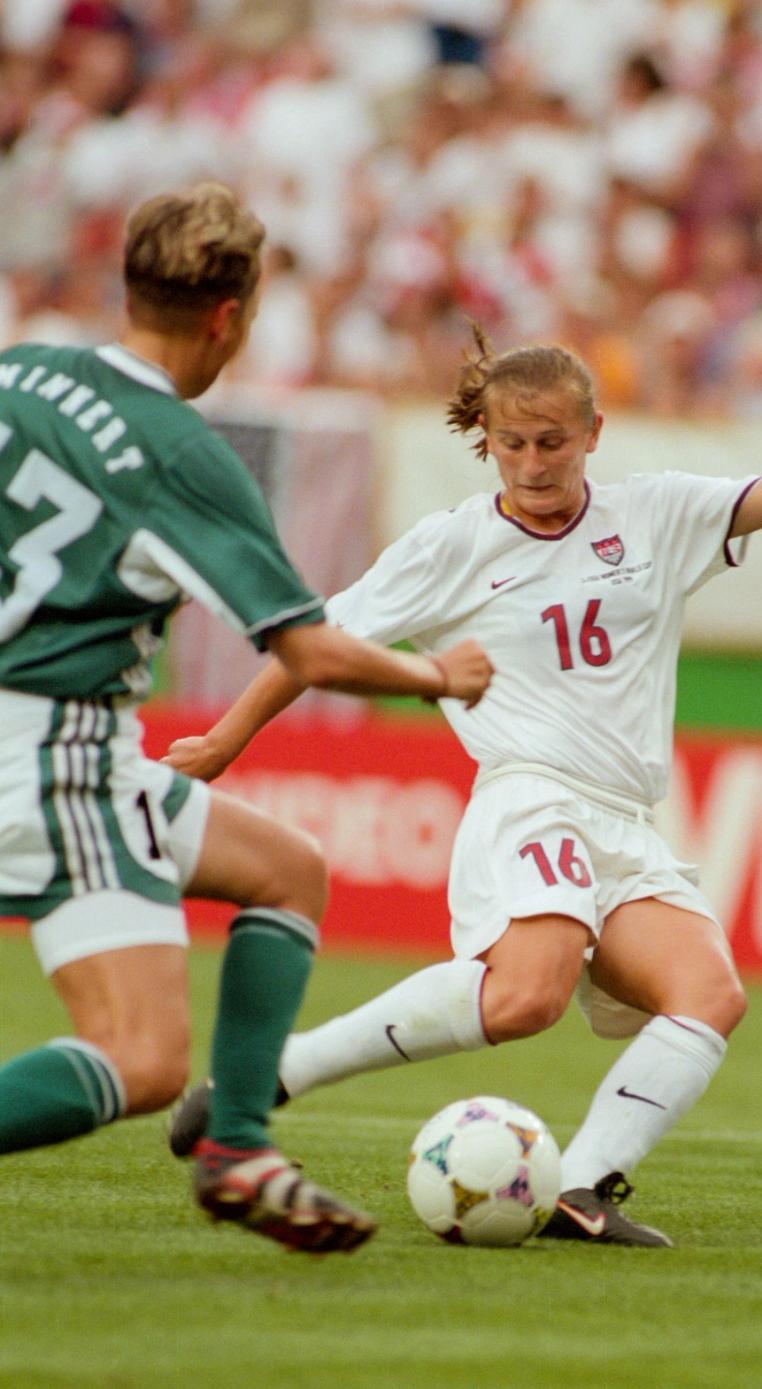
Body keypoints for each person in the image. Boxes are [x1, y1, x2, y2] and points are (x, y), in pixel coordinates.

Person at [166, 328, 762, 1245]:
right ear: (486, 438)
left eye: (552, 441)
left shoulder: (657, 515)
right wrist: (224, 740)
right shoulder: (453, 545)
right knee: (527, 997)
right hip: (532, 796)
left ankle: (585, 1187)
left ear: (594, 431)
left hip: (626, 821)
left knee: (710, 992)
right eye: (511, 443)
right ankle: (265, 1078)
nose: (531, 463)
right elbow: (314, 646)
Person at [0, 183, 493, 1254]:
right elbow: (308, 646)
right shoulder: (180, 451)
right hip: (48, 745)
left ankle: (236, 1149)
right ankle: (227, 1140)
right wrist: (439, 679)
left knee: (286, 870)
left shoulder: (18, 369)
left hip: (60, 743)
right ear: (232, 314)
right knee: (139, 1059)